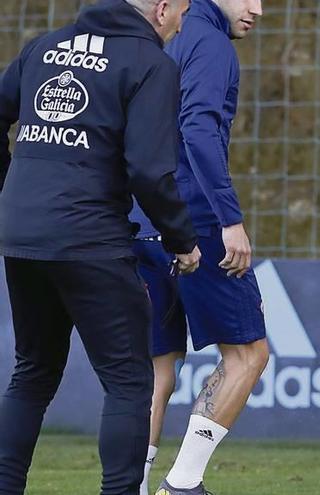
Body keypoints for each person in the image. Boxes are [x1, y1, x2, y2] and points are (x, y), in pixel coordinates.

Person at [0, 0, 200, 493]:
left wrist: (12, 190)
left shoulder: (44, 47)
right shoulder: (151, 64)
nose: (181, 24)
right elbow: (150, 171)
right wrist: (182, 240)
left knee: (33, 373)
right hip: (91, 240)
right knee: (130, 382)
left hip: (22, 236)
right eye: (182, 12)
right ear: (160, 8)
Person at [126, 1, 267, 494]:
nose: (259, 10)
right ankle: (183, 484)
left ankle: (132, 486)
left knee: (158, 369)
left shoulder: (170, 37)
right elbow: (199, 131)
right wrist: (230, 219)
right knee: (248, 355)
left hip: (145, 217)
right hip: (198, 222)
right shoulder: (211, 44)